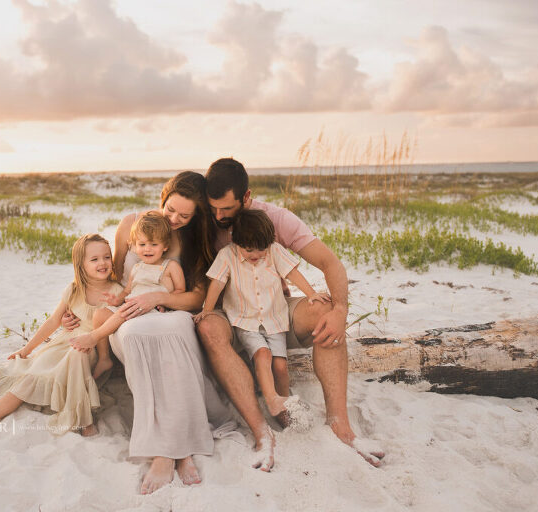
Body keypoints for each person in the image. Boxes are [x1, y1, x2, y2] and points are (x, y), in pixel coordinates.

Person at [196, 158, 386, 468]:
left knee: (324, 311)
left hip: (273, 314)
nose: (219, 216)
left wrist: (340, 310)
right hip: (229, 316)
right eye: (213, 208)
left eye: (227, 210)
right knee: (209, 328)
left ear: (246, 197)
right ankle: (261, 433)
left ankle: (341, 426)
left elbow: (330, 263)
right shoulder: (205, 219)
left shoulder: (276, 219)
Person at [59, 172, 233, 494]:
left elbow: (195, 297)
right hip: (129, 315)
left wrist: (159, 297)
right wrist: (77, 308)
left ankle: (170, 451)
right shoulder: (132, 225)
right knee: (136, 335)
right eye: (171, 210)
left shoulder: (193, 240)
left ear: (196, 215)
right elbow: (110, 276)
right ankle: (173, 450)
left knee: (173, 335)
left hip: (172, 312)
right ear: (162, 197)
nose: (175, 219)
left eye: (185, 215)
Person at [0, 234, 123, 439]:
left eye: (106, 257)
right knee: (29, 379)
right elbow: (53, 322)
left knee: (77, 354)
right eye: (94, 259)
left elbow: (117, 320)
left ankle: (85, 420)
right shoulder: (74, 289)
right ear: (81, 264)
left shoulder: (116, 292)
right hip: (62, 345)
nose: (102, 263)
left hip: (90, 348)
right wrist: (26, 350)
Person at [194, 209, 329, 428]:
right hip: (245, 320)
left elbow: (292, 274)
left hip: (274, 318)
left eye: (261, 249)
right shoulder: (227, 255)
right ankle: (272, 400)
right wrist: (207, 310)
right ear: (236, 241)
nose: (256, 254)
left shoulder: (274, 250)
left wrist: (312, 294)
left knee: (280, 367)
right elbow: (217, 283)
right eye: (249, 250)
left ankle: (284, 404)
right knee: (262, 354)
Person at [68, 211, 184, 351]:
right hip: (132, 305)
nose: (147, 249)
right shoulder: (136, 268)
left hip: (151, 307)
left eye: (154, 244)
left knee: (123, 314)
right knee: (100, 314)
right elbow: (127, 291)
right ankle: (104, 359)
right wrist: (117, 300)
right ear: (134, 246)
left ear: (165, 246)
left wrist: (165, 303)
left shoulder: (170, 266)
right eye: (142, 244)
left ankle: (94, 336)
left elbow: (180, 290)